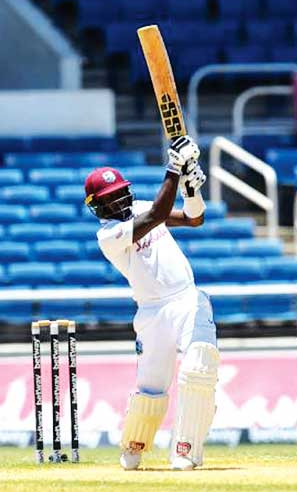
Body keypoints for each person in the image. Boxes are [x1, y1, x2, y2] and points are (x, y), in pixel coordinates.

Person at [87, 136, 214, 471]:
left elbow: (194, 219)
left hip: (188, 298)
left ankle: (185, 451)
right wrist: (175, 167)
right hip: (152, 313)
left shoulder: (142, 207)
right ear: (98, 207)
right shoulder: (109, 235)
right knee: (151, 388)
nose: (119, 200)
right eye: (110, 198)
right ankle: (134, 445)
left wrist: (191, 188)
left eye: (120, 193)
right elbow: (158, 213)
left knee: (199, 368)